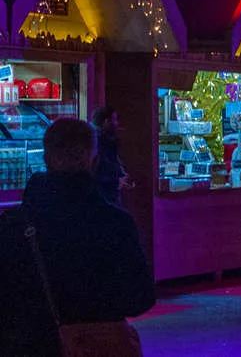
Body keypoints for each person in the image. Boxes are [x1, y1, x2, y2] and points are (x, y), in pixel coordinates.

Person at [0, 118, 155, 356]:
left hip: (30, 345)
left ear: (45, 158)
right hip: (100, 347)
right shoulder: (116, 223)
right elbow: (140, 298)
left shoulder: (14, 225)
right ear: (93, 160)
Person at [90, 106, 127, 207]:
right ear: (106, 121)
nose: (117, 123)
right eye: (114, 120)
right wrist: (116, 181)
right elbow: (103, 167)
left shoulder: (97, 139)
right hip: (105, 193)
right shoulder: (102, 141)